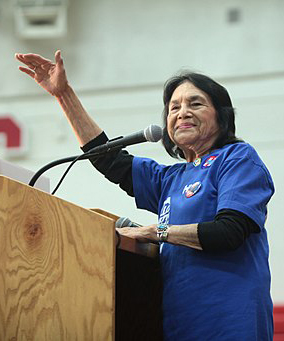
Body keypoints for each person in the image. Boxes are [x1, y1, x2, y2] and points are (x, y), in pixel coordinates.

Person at [15, 50, 275, 340]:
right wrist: (64, 95)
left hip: (230, 323)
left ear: (222, 116)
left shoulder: (237, 158)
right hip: (179, 325)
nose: (182, 112)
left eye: (195, 103)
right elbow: (109, 159)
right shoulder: (171, 179)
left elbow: (229, 232)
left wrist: (157, 231)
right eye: (173, 108)